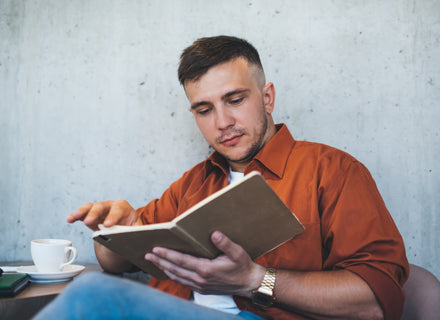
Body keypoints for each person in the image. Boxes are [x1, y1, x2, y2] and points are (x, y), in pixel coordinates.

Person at [35, 36, 408, 320]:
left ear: (267, 97)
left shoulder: (332, 170)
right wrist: (114, 229)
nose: (222, 123)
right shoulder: (194, 183)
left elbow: (376, 301)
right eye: (204, 109)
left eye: (234, 100)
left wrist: (253, 279)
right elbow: (117, 263)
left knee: (92, 295)